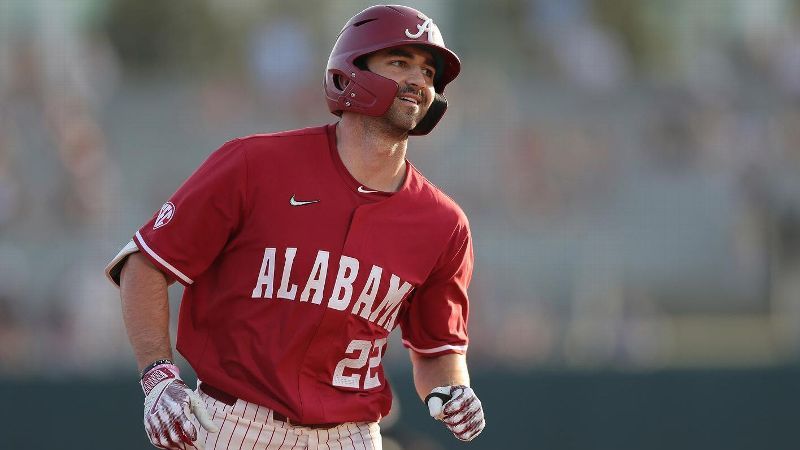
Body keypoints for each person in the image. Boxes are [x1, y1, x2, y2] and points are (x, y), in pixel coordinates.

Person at [105, 4, 485, 449]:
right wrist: (159, 380)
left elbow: (439, 350)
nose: (420, 81)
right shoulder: (255, 165)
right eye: (401, 62)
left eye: (427, 72)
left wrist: (453, 389)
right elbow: (145, 265)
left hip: (353, 435)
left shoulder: (444, 223)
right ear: (350, 71)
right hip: (232, 425)